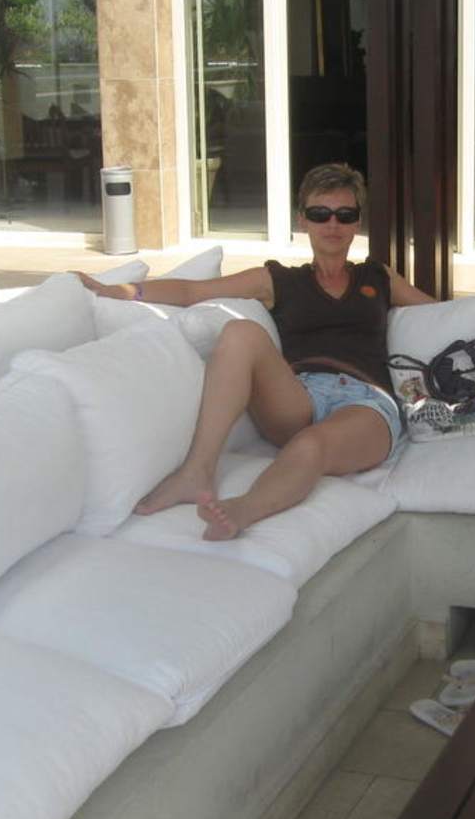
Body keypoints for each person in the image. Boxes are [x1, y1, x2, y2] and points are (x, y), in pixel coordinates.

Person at [78, 163, 435, 540]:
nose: (333, 224)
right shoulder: (279, 280)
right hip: (300, 394)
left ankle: (242, 511)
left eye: (345, 215)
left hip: (367, 402)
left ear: (357, 222)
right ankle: (197, 470)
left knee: (311, 444)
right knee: (240, 332)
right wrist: (124, 291)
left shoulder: (377, 277)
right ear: (303, 221)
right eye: (320, 214)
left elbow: (440, 312)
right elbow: (193, 291)